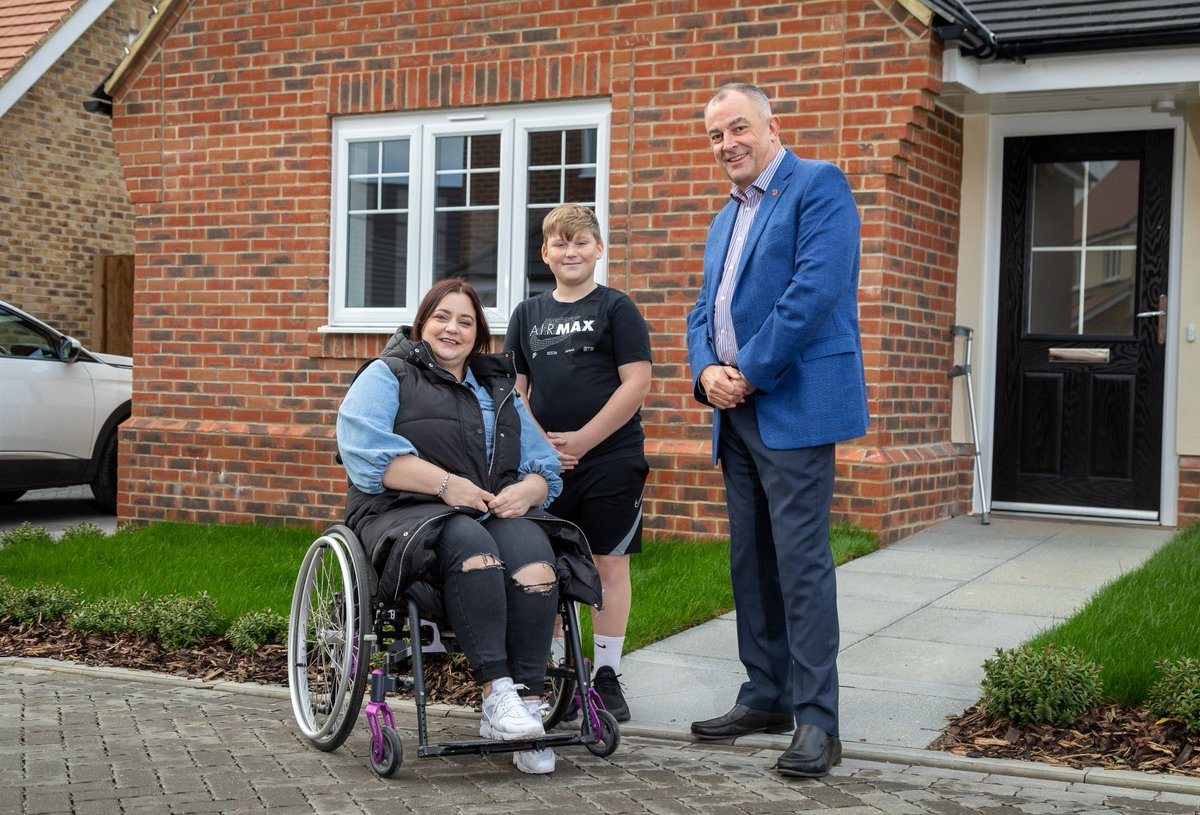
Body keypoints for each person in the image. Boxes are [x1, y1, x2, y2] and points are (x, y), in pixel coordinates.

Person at [337, 278, 602, 775]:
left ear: (478, 334)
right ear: (423, 323)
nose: (452, 329)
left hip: (486, 509)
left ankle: (524, 704)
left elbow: (542, 464)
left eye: (465, 321)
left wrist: (529, 491)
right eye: (442, 317)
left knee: (535, 555)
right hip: (402, 510)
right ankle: (496, 691)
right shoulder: (387, 373)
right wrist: (445, 486)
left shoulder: (498, 388)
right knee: (468, 538)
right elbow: (365, 456)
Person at [685, 83, 869, 778]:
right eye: (715, 135)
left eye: (738, 128)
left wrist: (747, 371)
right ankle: (765, 692)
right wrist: (707, 371)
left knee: (800, 565)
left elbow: (813, 294)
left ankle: (818, 719)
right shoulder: (723, 218)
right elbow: (704, 307)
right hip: (734, 412)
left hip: (791, 404)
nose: (727, 143)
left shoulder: (818, 186)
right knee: (750, 564)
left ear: (770, 125)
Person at [505, 203, 652, 722]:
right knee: (548, 566)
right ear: (545, 253)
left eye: (582, 242)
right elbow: (516, 390)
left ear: (599, 249)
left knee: (609, 564)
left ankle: (606, 675)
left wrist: (584, 441)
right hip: (547, 468)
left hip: (611, 459)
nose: (572, 251)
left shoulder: (617, 308)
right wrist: (544, 448)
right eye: (561, 244)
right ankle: (564, 675)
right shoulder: (527, 315)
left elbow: (636, 383)